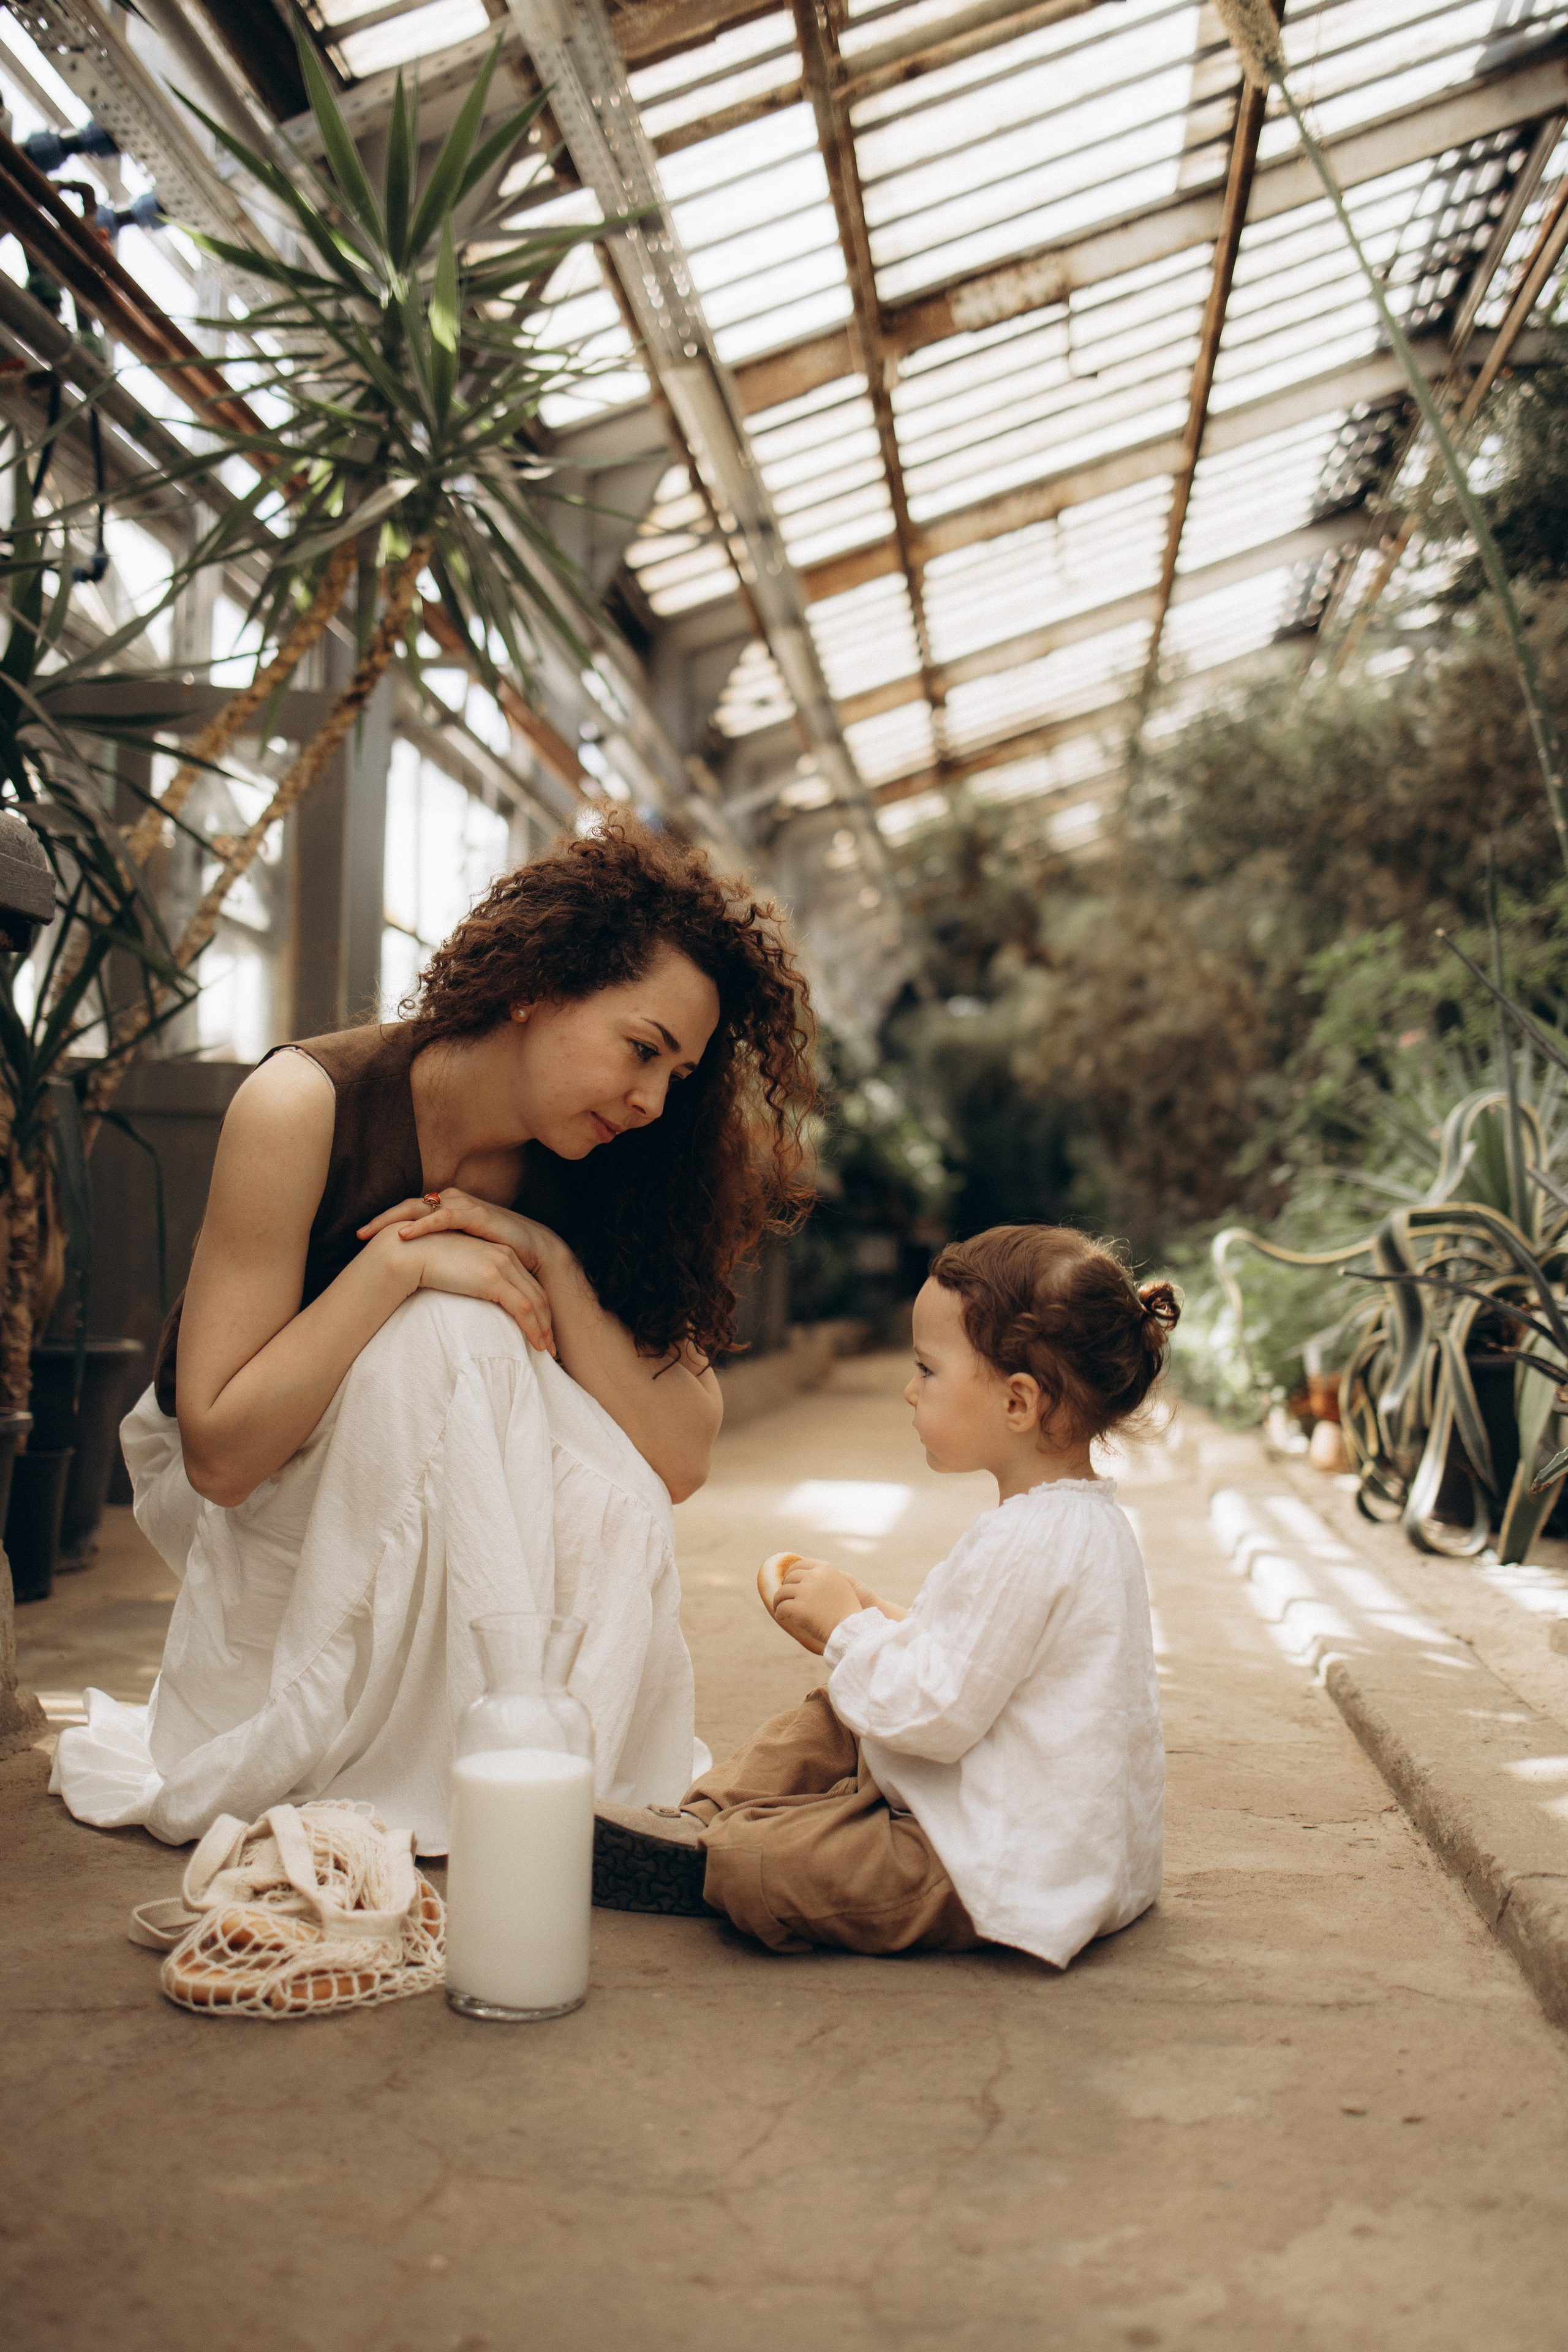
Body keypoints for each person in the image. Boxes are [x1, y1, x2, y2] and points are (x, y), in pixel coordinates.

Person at [52, 819, 815, 1853]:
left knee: (536, 1389)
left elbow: (677, 1458)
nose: (649, 1100)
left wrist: (539, 1255)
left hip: (474, 1484)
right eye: (642, 1050)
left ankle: (534, 1756)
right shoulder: (302, 1105)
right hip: (273, 1486)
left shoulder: (613, 1168)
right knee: (450, 1326)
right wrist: (397, 1267)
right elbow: (219, 1455)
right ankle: (444, 1773)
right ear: (535, 985)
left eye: (677, 1076)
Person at [594, 1224, 1178, 1963]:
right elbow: (993, 1666)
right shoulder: (1081, 1523)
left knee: (766, 1867)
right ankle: (698, 1823)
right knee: (839, 1710)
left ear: (1019, 1403)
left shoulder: (1029, 1539)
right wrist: (879, 1617)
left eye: (928, 1370)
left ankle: (721, 1849)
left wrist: (846, 1631)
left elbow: (935, 1714)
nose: (909, 1389)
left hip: (994, 1865)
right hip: (1049, 1831)